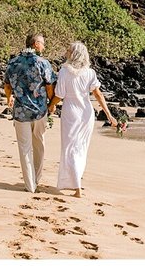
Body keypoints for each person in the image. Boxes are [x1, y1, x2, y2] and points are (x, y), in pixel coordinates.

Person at [48, 41, 118, 197]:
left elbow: (59, 95)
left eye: (68, 50)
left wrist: (50, 106)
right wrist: (109, 115)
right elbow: (98, 95)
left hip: (71, 113)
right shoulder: (90, 72)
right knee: (80, 148)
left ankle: (76, 186)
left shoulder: (64, 72)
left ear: (74, 54)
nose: (66, 52)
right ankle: (76, 181)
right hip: (86, 113)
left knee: (69, 148)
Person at [3, 33, 56, 193]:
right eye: (42, 43)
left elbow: (7, 86)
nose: (44, 46)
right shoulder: (43, 63)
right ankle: (36, 179)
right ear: (35, 44)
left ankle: (30, 185)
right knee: (39, 144)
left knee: (24, 147)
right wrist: (51, 103)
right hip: (39, 110)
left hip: (20, 111)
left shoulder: (13, 62)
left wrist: (8, 99)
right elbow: (49, 86)